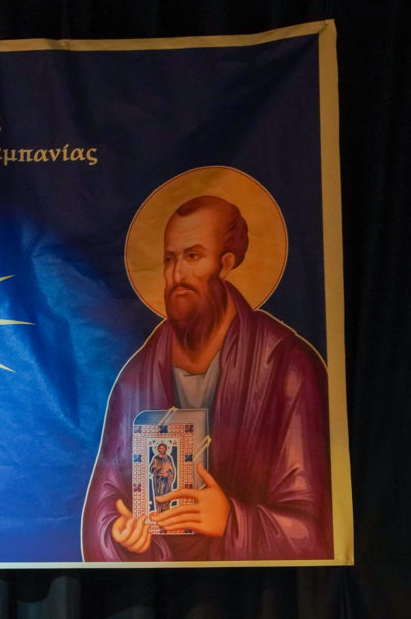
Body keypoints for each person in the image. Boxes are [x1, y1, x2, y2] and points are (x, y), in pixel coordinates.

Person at [81, 195, 332, 561]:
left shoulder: (286, 367)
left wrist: (232, 521)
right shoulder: (136, 379)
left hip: (256, 587)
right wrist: (122, 536)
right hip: (159, 588)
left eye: (193, 256)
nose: (177, 275)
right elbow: (105, 507)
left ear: (225, 264)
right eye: (170, 259)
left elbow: (314, 529)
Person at [149, 443, 176, 514]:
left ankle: (166, 511)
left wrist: (168, 473)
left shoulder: (168, 458)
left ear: (166, 449)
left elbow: (171, 469)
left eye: (163, 448)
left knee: (166, 494)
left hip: (166, 480)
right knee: (159, 494)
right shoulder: (156, 458)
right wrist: (158, 470)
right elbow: (151, 469)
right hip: (158, 481)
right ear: (158, 449)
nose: (162, 449)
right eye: (160, 448)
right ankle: (159, 511)